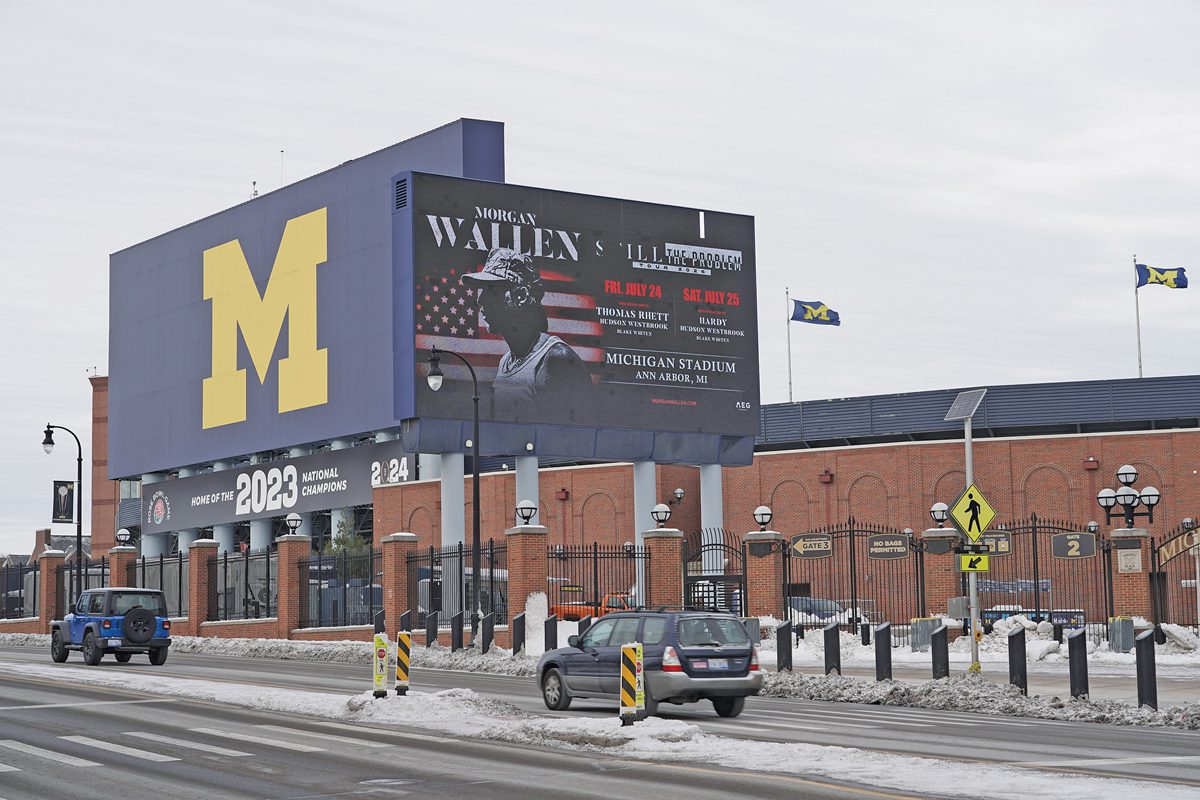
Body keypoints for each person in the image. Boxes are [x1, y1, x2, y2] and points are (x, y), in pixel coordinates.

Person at [460, 248, 591, 420]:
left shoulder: (556, 359)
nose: (481, 300)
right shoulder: (505, 361)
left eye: (492, 291)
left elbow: (574, 436)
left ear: (521, 296)